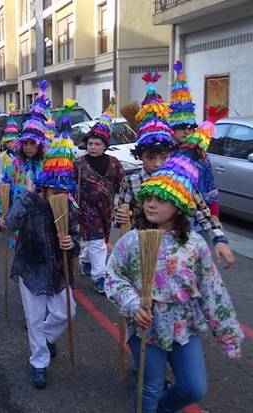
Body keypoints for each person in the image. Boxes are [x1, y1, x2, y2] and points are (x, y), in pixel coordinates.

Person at [105, 110, 243, 412]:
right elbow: (113, 277)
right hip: (147, 325)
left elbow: (213, 291)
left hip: (183, 325)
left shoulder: (193, 245)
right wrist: (131, 305)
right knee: (150, 387)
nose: (152, 203)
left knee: (194, 387)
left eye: (161, 200)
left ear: (179, 207)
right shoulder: (133, 241)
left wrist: (227, 333)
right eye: (149, 198)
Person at [114, 73, 234, 269]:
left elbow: (203, 214)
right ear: (140, 157)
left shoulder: (180, 182)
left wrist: (219, 240)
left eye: (163, 157)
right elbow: (118, 217)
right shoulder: (131, 182)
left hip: (177, 252)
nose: (157, 164)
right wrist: (119, 218)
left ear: (171, 154)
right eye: (150, 157)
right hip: (142, 250)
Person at [5, 109, 79, 389]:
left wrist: (71, 244)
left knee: (67, 312)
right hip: (30, 268)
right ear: (44, 187)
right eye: (53, 191)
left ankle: (47, 339)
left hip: (57, 271)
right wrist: (24, 200)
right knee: (34, 320)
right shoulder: (30, 201)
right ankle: (39, 362)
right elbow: (11, 224)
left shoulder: (68, 207)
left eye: (63, 192)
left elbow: (76, 239)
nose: (58, 196)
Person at [0, 81, 51, 248]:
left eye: (33, 143)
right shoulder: (13, 165)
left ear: (40, 145)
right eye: (26, 144)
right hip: (18, 216)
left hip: (42, 217)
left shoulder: (48, 165)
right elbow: (4, 187)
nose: (29, 147)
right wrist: (2, 214)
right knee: (20, 257)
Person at [75, 102, 125, 294]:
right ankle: (100, 276)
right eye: (90, 144)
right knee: (96, 241)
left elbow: (123, 184)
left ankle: (85, 260)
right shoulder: (79, 163)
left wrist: (123, 205)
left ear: (105, 145)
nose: (93, 147)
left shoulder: (114, 162)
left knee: (97, 239)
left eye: (97, 144)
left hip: (106, 209)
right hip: (85, 209)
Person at [168, 60, 220, 220]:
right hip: (171, 219)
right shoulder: (164, 154)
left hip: (197, 219)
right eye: (181, 127)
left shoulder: (200, 154)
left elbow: (210, 187)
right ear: (172, 128)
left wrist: (215, 215)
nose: (186, 131)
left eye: (190, 127)